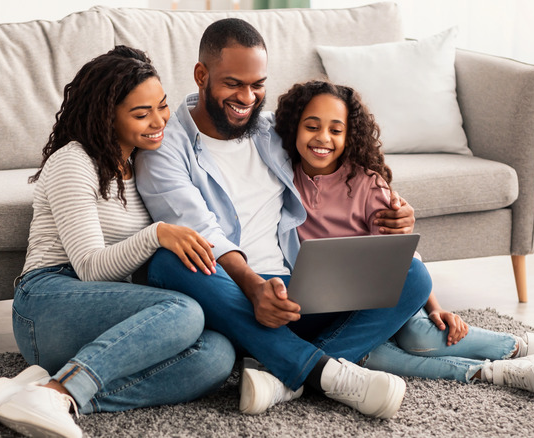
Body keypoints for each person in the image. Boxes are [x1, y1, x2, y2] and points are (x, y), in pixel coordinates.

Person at [134, 18, 429, 419]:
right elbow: (198, 229)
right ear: (201, 74)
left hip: (291, 292)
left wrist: (395, 209)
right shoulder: (165, 146)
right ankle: (322, 373)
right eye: (234, 83)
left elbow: (339, 158)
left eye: (258, 84)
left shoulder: (271, 131)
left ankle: (286, 374)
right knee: (175, 259)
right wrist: (254, 289)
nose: (248, 96)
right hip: (227, 294)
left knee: (412, 273)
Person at [273, 79, 534, 400]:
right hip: (320, 308)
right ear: (294, 126)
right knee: (373, 355)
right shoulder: (280, 177)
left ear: (349, 135)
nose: (322, 138)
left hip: (376, 300)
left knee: (416, 331)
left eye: (335, 130)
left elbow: (399, 257)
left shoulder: (366, 184)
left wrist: (434, 307)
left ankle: (524, 346)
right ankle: (492, 371)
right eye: (311, 126)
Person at [0, 46, 235, 438]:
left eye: (161, 106)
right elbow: (91, 268)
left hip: (106, 314)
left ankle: (48, 394)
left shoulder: (142, 164)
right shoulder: (73, 161)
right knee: (184, 311)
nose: (159, 121)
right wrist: (157, 233)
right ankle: (58, 389)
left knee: (218, 355)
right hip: (47, 302)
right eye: (140, 113)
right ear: (105, 115)